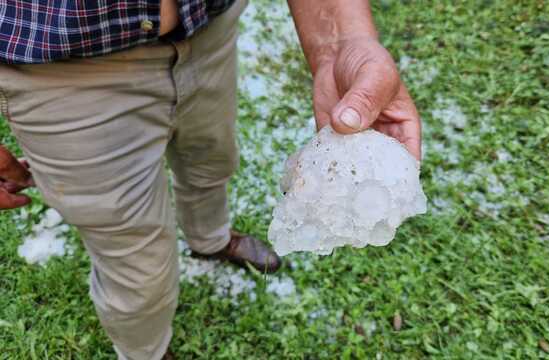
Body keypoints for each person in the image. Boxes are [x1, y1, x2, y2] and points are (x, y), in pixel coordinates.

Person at [0, 0, 421, 358]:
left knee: (210, 162)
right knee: (133, 258)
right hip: (58, 67)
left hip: (208, 28)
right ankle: (146, 352)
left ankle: (211, 239)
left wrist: (340, 43)